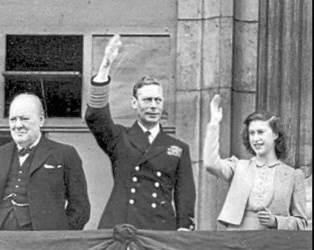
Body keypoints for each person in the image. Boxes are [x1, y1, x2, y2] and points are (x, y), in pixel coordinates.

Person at [84, 34, 196, 231]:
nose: (153, 106)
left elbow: (184, 194)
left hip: (160, 229)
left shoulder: (178, 148)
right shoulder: (119, 138)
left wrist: (184, 228)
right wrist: (105, 66)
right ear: (134, 103)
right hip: (121, 226)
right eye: (147, 100)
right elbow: (95, 117)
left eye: (158, 100)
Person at [0, 93, 90, 231]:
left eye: (24, 119)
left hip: (42, 244)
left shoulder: (64, 154)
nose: (18, 125)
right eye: (13, 119)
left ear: (41, 120)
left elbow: (80, 208)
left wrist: (59, 237)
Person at [203, 94, 307, 230]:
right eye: (252, 133)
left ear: (275, 134)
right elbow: (211, 164)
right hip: (237, 239)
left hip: (273, 244)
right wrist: (214, 123)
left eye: (260, 132)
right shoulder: (239, 167)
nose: (255, 138)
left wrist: (276, 221)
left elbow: (301, 223)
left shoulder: (293, 175)